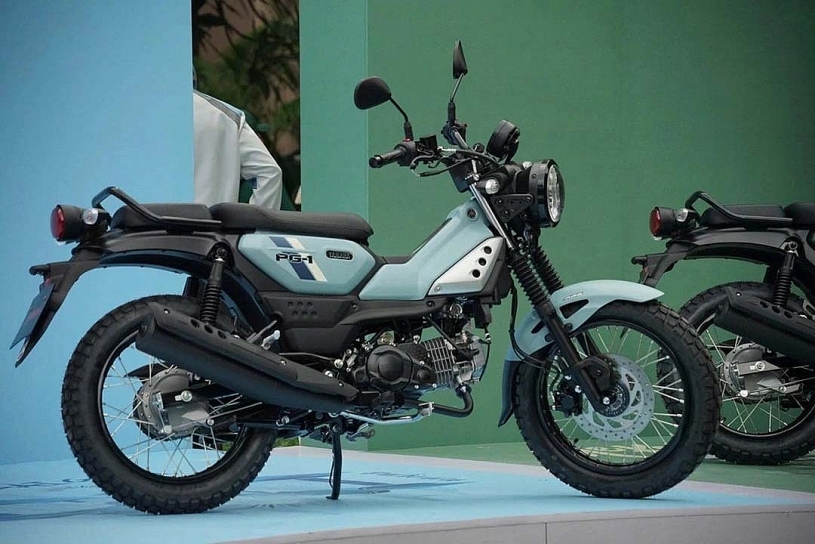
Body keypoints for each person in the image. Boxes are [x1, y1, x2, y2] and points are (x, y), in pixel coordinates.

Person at [193, 90, 282, 209]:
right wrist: (253, 221)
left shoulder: (226, 115)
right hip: (210, 218)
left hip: (169, 218)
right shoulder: (224, 115)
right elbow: (268, 172)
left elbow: (268, 172)